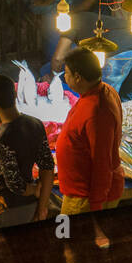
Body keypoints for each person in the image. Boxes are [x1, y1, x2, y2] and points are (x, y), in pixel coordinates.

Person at [54, 48, 124, 215]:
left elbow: (102, 161)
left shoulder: (97, 111)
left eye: (67, 73)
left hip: (84, 199)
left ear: (78, 77)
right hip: (78, 193)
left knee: (69, 238)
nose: (65, 76)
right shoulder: (102, 90)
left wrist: (95, 204)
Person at [0, 75, 55, 229]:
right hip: (28, 207)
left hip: (10, 211)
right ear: (15, 95)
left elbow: (16, 185)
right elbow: (47, 166)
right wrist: (42, 207)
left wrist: (35, 190)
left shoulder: (1, 137)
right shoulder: (35, 124)